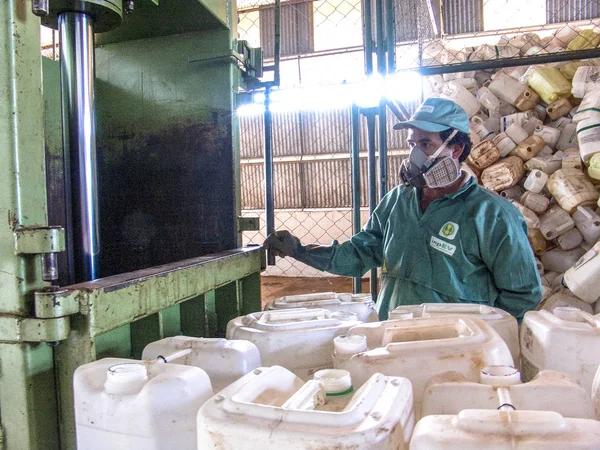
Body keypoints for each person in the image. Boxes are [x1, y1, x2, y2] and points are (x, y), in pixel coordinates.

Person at [264, 97, 542, 321]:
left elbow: (522, 295)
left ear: (456, 149)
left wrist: (488, 344)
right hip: (394, 336)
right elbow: (359, 254)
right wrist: (300, 251)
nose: (414, 154)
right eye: (412, 144)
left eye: (425, 144)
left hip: (457, 348)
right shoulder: (397, 200)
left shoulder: (492, 214)